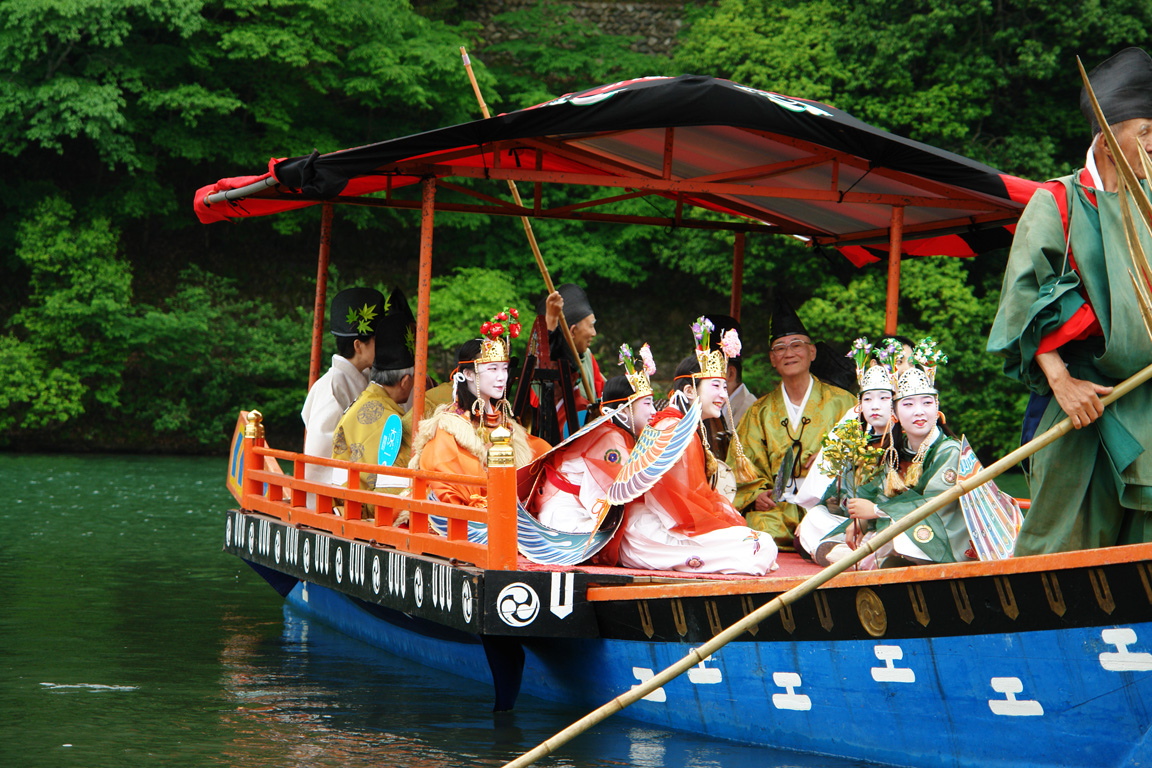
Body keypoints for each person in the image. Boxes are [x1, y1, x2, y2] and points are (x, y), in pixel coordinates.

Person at [987, 47, 1152, 555]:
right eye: (1147, 131)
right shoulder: (1057, 200)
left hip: (1147, 396)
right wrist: (1062, 383)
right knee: (1064, 546)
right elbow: (1023, 300)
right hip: (1082, 400)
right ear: (1107, 140)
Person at [604, 317, 778, 575]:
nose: (723, 395)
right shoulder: (672, 428)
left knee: (757, 542)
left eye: (725, 386)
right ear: (689, 391)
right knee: (759, 546)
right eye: (716, 386)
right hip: (654, 532)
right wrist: (719, 519)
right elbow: (677, 507)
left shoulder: (681, 424)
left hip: (662, 525)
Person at [820, 353, 972, 567]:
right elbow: (878, 493)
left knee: (896, 535)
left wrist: (874, 511)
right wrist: (862, 520)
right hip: (899, 526)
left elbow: (936, 504)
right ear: (895, 414)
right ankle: (870, 557)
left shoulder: (950, 450)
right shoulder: (895, 450)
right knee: (819, 520)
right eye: (908, 404)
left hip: (948, 536)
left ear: (937, 408)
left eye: (927, 403)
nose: (919, 412)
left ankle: (868, 559)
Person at [729, 298, 856, 551]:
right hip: (778, 510)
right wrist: (757, 495)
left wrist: (833, 458)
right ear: (772, 358)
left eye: (797, 345)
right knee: (756, 531)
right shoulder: (759, 412)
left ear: (812, 352)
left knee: (831, 527)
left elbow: (866, 450)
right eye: (780, 348)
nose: (789, 353)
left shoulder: (844, 402)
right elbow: (742, 464)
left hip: (827, 506)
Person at [409, 309, 549, 508]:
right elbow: (444, 477)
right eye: (492, 369)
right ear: (468, 374)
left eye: (504, 369)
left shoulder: (505, 422)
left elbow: (536, 454)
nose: (501, 377)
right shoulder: (450, 426)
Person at [529, 344, 658, 533]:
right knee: (640, 525)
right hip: (565, 514)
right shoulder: (611, 439)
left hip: (573, 506)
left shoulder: (613, 433)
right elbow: (617, 492)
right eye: (647, 404)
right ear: (624, 410)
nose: (654, 411)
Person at [795, 340, 896, 562]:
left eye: (884, 398)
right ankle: (848, 553)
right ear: (860, 403)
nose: (875, 406)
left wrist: (873, 512)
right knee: (814, 518)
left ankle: (847, 554)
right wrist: (832, 502)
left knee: (894, 535)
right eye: (868, 399)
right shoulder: (856, 432)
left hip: (885, 519)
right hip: (852, 520)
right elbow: (835, 486)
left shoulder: (904, 438)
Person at [332, 288, 417, 507]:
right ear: (405, 381)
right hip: (367, 513)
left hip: (341, 503)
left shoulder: (360, 402)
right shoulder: (393, 421)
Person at [300, 286, 384, 499]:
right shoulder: (331, 387)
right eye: (378, 340)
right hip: (335, 498)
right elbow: (319, 460)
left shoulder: (365, 378)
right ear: (358, 345)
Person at [539, 283, 604, 402]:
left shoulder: (587, 355)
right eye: (591, 326)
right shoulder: (549, 363)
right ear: (573, 331)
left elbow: (605, 390)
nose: (594, 333)